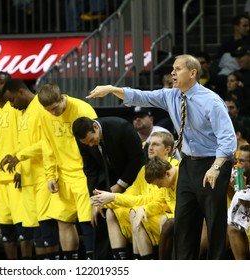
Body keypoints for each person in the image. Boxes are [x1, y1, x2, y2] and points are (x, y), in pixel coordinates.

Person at [87, 54, 236, 259]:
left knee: (214, 221)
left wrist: (217, 167)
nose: (172, 73)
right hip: (188, 163)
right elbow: (142, 96)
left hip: (212, 163)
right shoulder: (171, 95)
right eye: (172, 69)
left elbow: (228, 138)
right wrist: (113, 89)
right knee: (183, 221)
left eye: (177, 69)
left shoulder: (211, 101)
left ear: (192, 73)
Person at [91, 131, 178, 260]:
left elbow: (153, 200)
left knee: (135, 212)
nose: (150, 148)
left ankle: (145, 259)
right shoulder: (144, 169)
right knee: (112, 211)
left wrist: (114, 198)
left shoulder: (172, 168)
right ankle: (121, 260)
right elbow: (132, 191)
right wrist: (105, 201)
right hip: (150, 210)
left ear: (167, 149)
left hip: (164, 213)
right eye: (149, 144)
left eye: (155, 144)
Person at [0, 79, 60, 260]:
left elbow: (47, 142)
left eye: (12, 100)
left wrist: (21, 155)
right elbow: (25, 143)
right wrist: (18, 164)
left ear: (21, 92)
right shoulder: (23, 112)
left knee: (46, 230)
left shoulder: (42, 107)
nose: (11, 105)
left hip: (44, 177)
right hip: (28, 178)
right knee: (36, 234)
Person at [37, 83, 97, 259]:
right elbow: (47, 145)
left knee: (88, 222)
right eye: (49, 110)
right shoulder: (45, 114)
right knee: (63, 221)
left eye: (55, 108)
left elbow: (95, 143)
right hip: (63, 175)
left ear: (62, 98)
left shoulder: (82, 109)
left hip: (83, 174)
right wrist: (50, 175)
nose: (53, 113)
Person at [72, 116, 145, 259]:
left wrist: (120, 185)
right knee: (100, 215)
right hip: (107, 177)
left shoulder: (121, 127)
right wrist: (95, 202)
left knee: (125, 212)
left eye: (92, 140)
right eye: (87, 144)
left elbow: (137, 159)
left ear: (95, 127)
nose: (91, 145)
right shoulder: (84, 140)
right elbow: (90, 170)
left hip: (133, 176)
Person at [0, 74, 34, 260]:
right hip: (1, 182)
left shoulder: (18, 108)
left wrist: (20, 168)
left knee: (24, 232)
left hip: (20, 178)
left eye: (1, 83)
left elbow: (26, 140)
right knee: (6, 233)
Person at [227, 144, 250, 260]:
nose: (238, 164)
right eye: (237, 160)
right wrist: (232, 188)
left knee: (232, 228)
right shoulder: (239, 176)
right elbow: (237, 206)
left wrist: (242, 191)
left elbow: (246, 204)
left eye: (242, 161)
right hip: (243, 222)